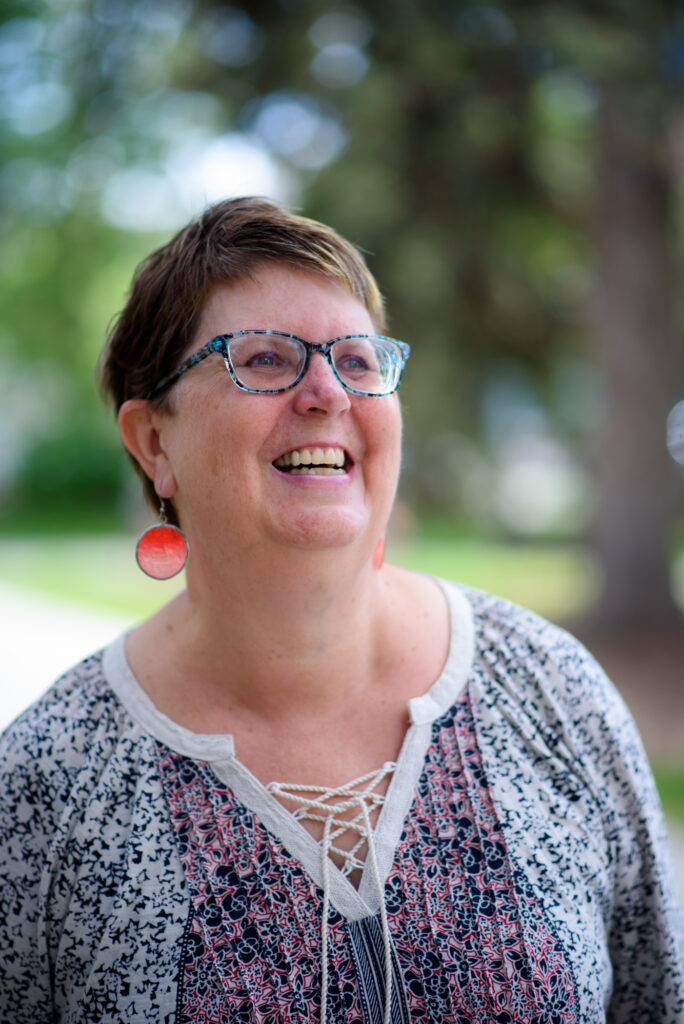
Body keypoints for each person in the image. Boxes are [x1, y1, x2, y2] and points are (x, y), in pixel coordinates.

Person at [1, 196, 682, 1024]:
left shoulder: (551, 692)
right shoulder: (47, 785)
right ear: (153, 444)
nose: (327, 392)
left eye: (358, 361)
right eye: (263, 356)